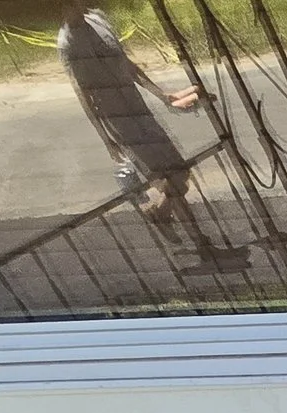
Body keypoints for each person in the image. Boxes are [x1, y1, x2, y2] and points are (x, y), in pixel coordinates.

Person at [57, 1, 205, 241]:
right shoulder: (68, 44)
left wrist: (163, 95)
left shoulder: (97, 19)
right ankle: (200, 244)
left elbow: (126, 64)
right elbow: (83, 93)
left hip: (138, 108)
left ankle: (159, 213)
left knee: (180, 174)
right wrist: (106, 139)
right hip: (118, 119)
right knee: (168, 181)